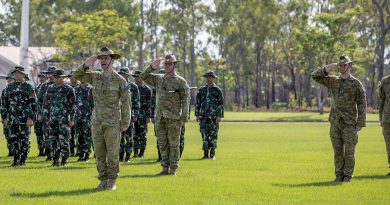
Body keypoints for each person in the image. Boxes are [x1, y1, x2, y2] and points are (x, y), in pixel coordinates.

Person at [74, 46, 131, 190]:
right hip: (96, 121)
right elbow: (75, 76)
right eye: (101, 58)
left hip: (112, 122)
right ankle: (103, 179)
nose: (103, 61)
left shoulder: (120, 80)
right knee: (99, 154)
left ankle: (112, 180)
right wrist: (86, 65)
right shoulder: (95, 76)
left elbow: (126, 102)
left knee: (112, 154)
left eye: (106, 58)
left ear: (112, 60)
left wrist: (125, 122)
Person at [311, 55, 366, 182]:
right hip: (335, 122)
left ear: (350, 65)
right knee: (337, 152)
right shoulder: (333, 81)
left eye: (344, 65)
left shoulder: (356, 84)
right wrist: (330, 67)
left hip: (349, 123)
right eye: (340, 65)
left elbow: (362, 104)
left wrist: (361, 123)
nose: (342, 67)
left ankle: (347, 177)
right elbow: (315, 76)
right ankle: (338, 176)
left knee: (350, 152)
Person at [141, 54, 190, 176]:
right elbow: (143, 76)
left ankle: (173, 168)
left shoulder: (180, 81)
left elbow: (185, 100)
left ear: (174, 65)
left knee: (174, 143)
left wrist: (184, 117)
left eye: (169, 64)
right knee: (162, 143)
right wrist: (152, 67)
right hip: (160, 117)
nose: (167, 66)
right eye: (165, 64)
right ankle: (164, 167)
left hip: (174, 118)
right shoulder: (159, 79)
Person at [1, 66, 36, 166]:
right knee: (13, 140)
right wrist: (4, 118)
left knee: (24, 140)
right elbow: (4, 104)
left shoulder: (29, 87)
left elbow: (33, 104)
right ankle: (16, 159)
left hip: (24, 119)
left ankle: (23, 160)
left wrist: (31, 118)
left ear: (24, 75)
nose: (16, 75)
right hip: (12, 119)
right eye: (15, 73)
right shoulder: (9, 87)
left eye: (19, 73)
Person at [42, 69, 76, 167]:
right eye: (56, 77)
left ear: (63, 78)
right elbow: (45, 104)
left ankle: (64, 160)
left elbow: (73, 105)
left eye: (59, 77)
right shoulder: (50, 88)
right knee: (53, 140)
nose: (57, 79)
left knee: (64, 140)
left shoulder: (69, 89)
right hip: (52, 119)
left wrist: (71, 119)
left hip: (64, 120)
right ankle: (55, 160)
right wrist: (46, 118)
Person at [195, 71, 224, 160]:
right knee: (204, 135)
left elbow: (221, 104)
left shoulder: (217, 90)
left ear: (214, 78)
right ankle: (205, 154)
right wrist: (197, 114)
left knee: (213, 135)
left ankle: (212, 154)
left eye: (210, 77)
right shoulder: (201, 90)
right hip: (203, 116)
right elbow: (197, 103)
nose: (209, 78)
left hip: (214, 117)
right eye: (207, 77)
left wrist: (219, 116)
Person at [118, 67, 140, 162]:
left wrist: (135, 114)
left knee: (129, 136)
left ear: (127, 75)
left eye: (123, 74)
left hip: (129, 115)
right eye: (120, 74)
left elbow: (136, 102)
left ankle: (128, 156)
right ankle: (120, 156)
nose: (122, 75)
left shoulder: (133, 87)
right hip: (118, 115)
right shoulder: (116, 85)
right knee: (120, 136)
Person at [37, 66, 57, 161]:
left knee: (58, 135)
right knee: (47, 135)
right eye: (49, 73)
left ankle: (58, 154)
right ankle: (49, 154)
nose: (51, 75)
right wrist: (40, 114)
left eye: (53, 73)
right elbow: (39, 101)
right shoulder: (44, 85)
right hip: (46, 115)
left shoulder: (60, 84)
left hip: (59, 115)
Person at [132, 70, 153, 158]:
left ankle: (141, 153)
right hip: (133, 115)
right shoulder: (131, 88)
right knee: (134, 134)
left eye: (138, 77)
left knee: (142, 135)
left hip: (143, 116)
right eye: (135, 77)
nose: (136, 79)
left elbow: (150, 104)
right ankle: (135, 152)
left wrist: (148, 116)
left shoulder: (147, 90)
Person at [74, 78, 94, 162]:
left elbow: (94, 104)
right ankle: (80, 154)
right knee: (79, 136)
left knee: (87, 136)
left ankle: (87, 155)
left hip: (87, 117)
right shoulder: (75, 89)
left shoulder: (91, 89)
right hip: (77, 117)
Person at [378, 75, 390, 176]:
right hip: (387, 119)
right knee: (389, 146)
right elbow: (382, 100)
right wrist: (380, 118)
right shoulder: (385, 81)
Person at [34, 71, 48, 156]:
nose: (41, 78)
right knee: (38, 133)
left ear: (46, 77)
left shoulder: (49, 86)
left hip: (46, 114)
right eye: (40, 76)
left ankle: (47, 150)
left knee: (47, 133)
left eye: (43, 76)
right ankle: (41, 150)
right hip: (38, 113)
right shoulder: (37, 88)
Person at [1, 71, 15, 157]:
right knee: (7, 134)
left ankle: (16, 151)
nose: (9, 80)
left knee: (15, 135)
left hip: (15, 117)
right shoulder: (4, 91)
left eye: (10, 79)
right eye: (8, 79)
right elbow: (2, 105)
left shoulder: (17, 90)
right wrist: (3, 117)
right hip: (7, 117)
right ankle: (10, 151)